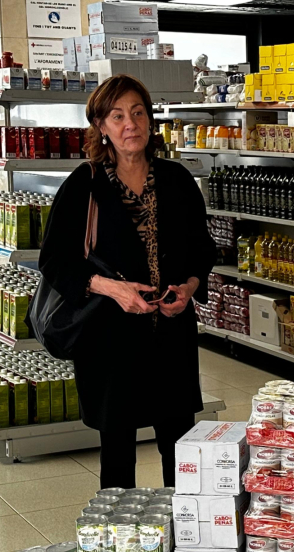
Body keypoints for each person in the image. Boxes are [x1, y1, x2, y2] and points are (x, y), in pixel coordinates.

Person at [38, 74, 215, 489]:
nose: (129, 124)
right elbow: (55, 259)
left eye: (138, 113)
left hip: (169, 334)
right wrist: (111, 288)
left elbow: (202, 248)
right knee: (117, 450)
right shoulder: (86, 184)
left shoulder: (176, 180)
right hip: (109, 338)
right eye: (117, 116)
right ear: (101, 126)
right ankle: (118, 542)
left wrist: (189, 287)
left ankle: (182, 532)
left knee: (179, 445)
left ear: (151, 121)